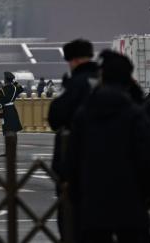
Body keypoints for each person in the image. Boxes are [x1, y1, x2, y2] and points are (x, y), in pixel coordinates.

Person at [68, 51, 150, 242]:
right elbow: (149, 157)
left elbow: (71, 163)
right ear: (128, 78)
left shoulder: (83, 114)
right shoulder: (135, 115)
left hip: (93, 207)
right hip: (131, 205)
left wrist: (78, 198)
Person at [48, 39, 97, 241]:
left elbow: (56, 116)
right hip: (114, 166)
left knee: (71, 222)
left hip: (76, 164)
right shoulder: (113, 80)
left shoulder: (76, 84)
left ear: (74, 60)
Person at [0, 72, 24, 140]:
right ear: (11, 80)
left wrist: (0, 115)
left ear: (6, 80)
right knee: (14, 128)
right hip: (12, 109)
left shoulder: (2, 90)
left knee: (8, 129)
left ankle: (9, 142)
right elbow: (21, 89)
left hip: (6, 111)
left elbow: (0, 104)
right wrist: (15, 82)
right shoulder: (15, 88)